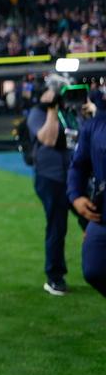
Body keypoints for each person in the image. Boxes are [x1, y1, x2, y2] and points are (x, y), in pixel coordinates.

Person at [28, 84, 74, 296]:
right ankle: (55, 278)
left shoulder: (72, 112)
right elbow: (49, 138)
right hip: (51, 177)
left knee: (95, 221)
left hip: (75, 176)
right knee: (57, 227)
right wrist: (51, 108)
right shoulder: (37, 114)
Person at [68, 87, 106, 298]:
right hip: (102, 211)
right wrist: (76, 195)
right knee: (93, 268)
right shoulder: (95, 125)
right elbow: (78, 165)